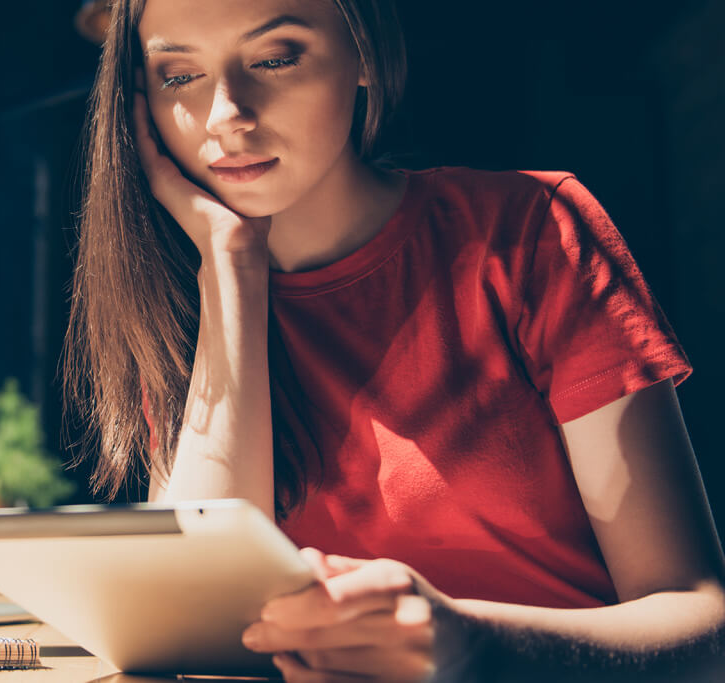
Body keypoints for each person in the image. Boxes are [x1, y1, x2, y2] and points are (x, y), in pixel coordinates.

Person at [61, 0, 725, 681]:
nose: (226, 113)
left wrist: (468, 647)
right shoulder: (185, 312)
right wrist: (231, 266)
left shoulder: (530, 234)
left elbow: (704, 631)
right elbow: (198, 638)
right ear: (139, 107)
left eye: (274, 58)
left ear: (365, 57)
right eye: (179, 76)